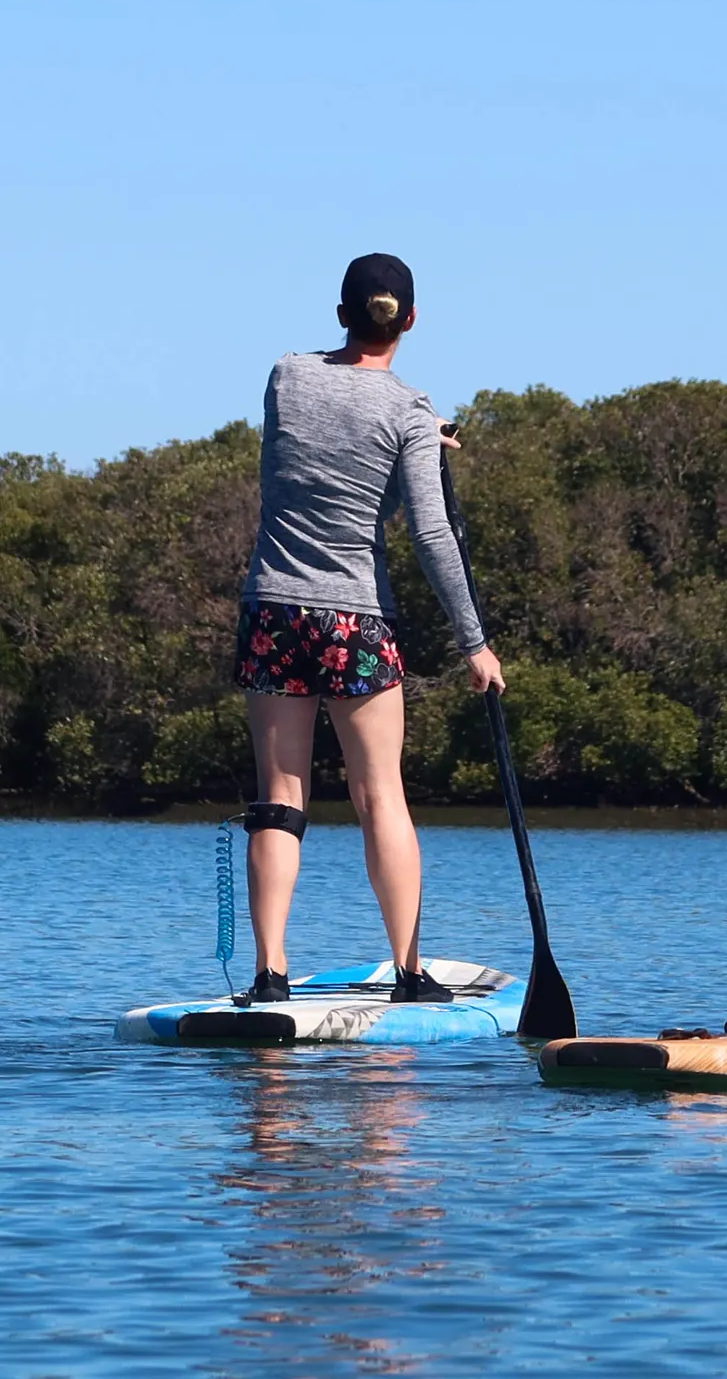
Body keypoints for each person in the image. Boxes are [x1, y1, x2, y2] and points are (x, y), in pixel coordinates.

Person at [231, 252, 505, 1006]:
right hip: (355, 616)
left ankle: (269, 974)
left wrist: (414, 440)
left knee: (278, 798)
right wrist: (473, 642)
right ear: (411, 320)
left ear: (340, 311)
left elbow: (318, 476)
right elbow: (429, 534)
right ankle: (410, 974)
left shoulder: (286, 377)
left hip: (274, 610)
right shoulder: (410, 411)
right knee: (380, 795)